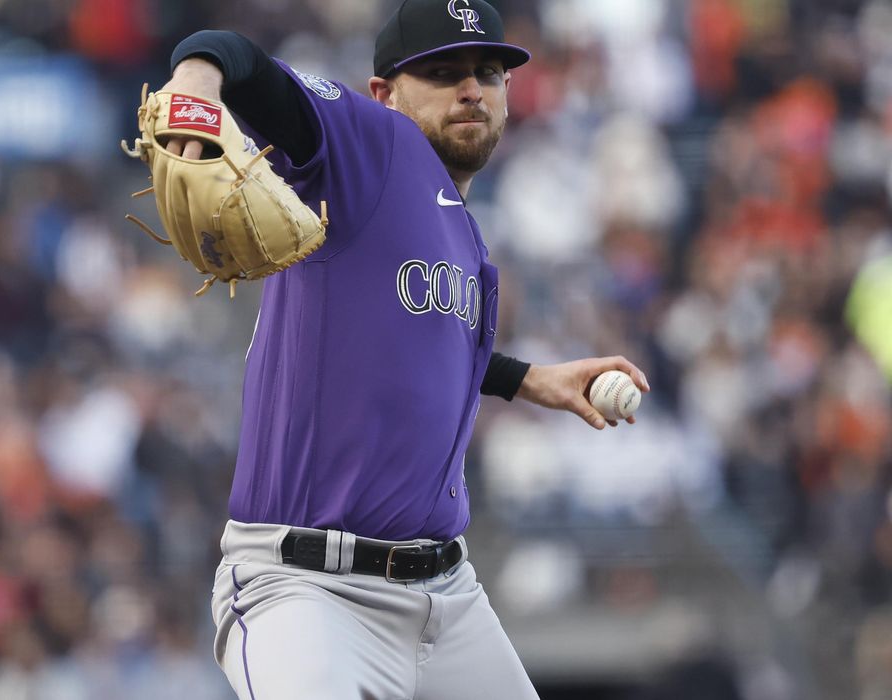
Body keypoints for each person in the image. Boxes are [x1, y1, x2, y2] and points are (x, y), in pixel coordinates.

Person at [157, 1, 650, 697]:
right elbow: (231, 54)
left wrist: (529, 379)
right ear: (385, 93)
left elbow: (420, 344)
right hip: (309, 592)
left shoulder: (461, 230)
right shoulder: (373, 147)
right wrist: (199, 80)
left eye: (488, 71)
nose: (472, 89)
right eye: (444, 73)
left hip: (448, 598)